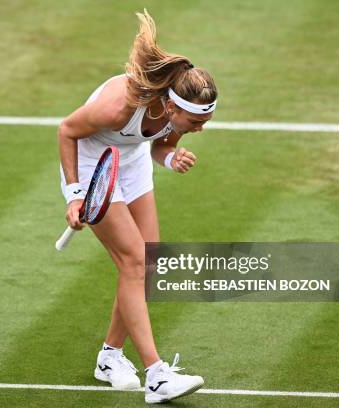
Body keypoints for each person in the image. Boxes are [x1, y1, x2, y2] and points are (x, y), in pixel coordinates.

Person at [58, 9, 218, 404]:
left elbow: (162, 142)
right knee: (132, 261)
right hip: (91, 163)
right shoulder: (118, 106)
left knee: (149, 262)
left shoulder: (173, 115)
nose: (200, 129)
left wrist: (169, 158)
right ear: (173, 105)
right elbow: (66, 131)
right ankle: (157, 376)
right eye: (196, 122)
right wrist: (75, 193)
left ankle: (109, 358)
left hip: (129, 162)